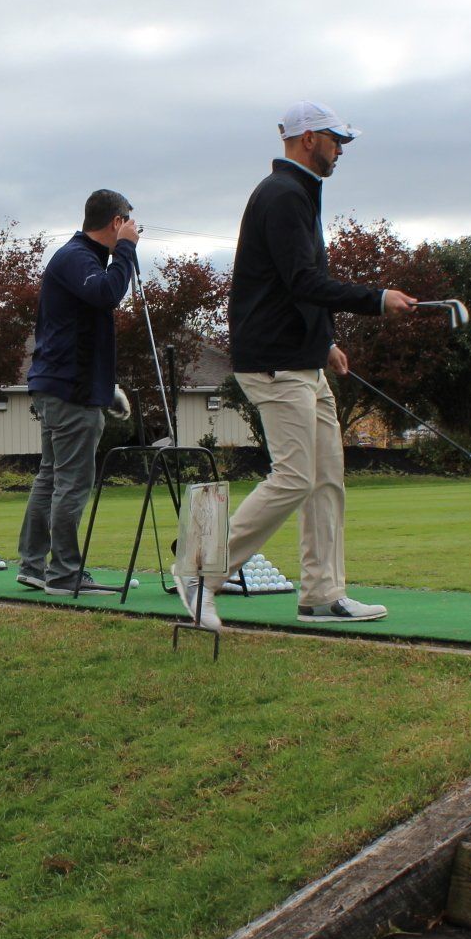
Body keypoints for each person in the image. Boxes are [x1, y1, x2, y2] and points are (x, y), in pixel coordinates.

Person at [176, 100, 416, 630]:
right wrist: (377, 299)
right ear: (310, 139)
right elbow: (303, 282)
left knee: (326, 478)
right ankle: (199, 572)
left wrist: (323, 342)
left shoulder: (298, 193)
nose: (341, 150)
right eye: (336, 140)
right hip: (274, 365)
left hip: (302, 361)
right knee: (293, 477)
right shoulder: (283, 195)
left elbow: (291, 286)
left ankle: (322, 595)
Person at [16, 190, 140, 594]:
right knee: (72, 481)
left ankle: (34, 565)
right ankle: (64, 573)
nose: (133, 230)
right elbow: (107, 293)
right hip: (70, 391)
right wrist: (126, 250)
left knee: (51, 476)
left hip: (65, 385)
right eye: (128, 223)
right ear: (116, 222)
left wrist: (107, 388)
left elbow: (84, 329)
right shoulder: (77, 257)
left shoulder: (80, 258)